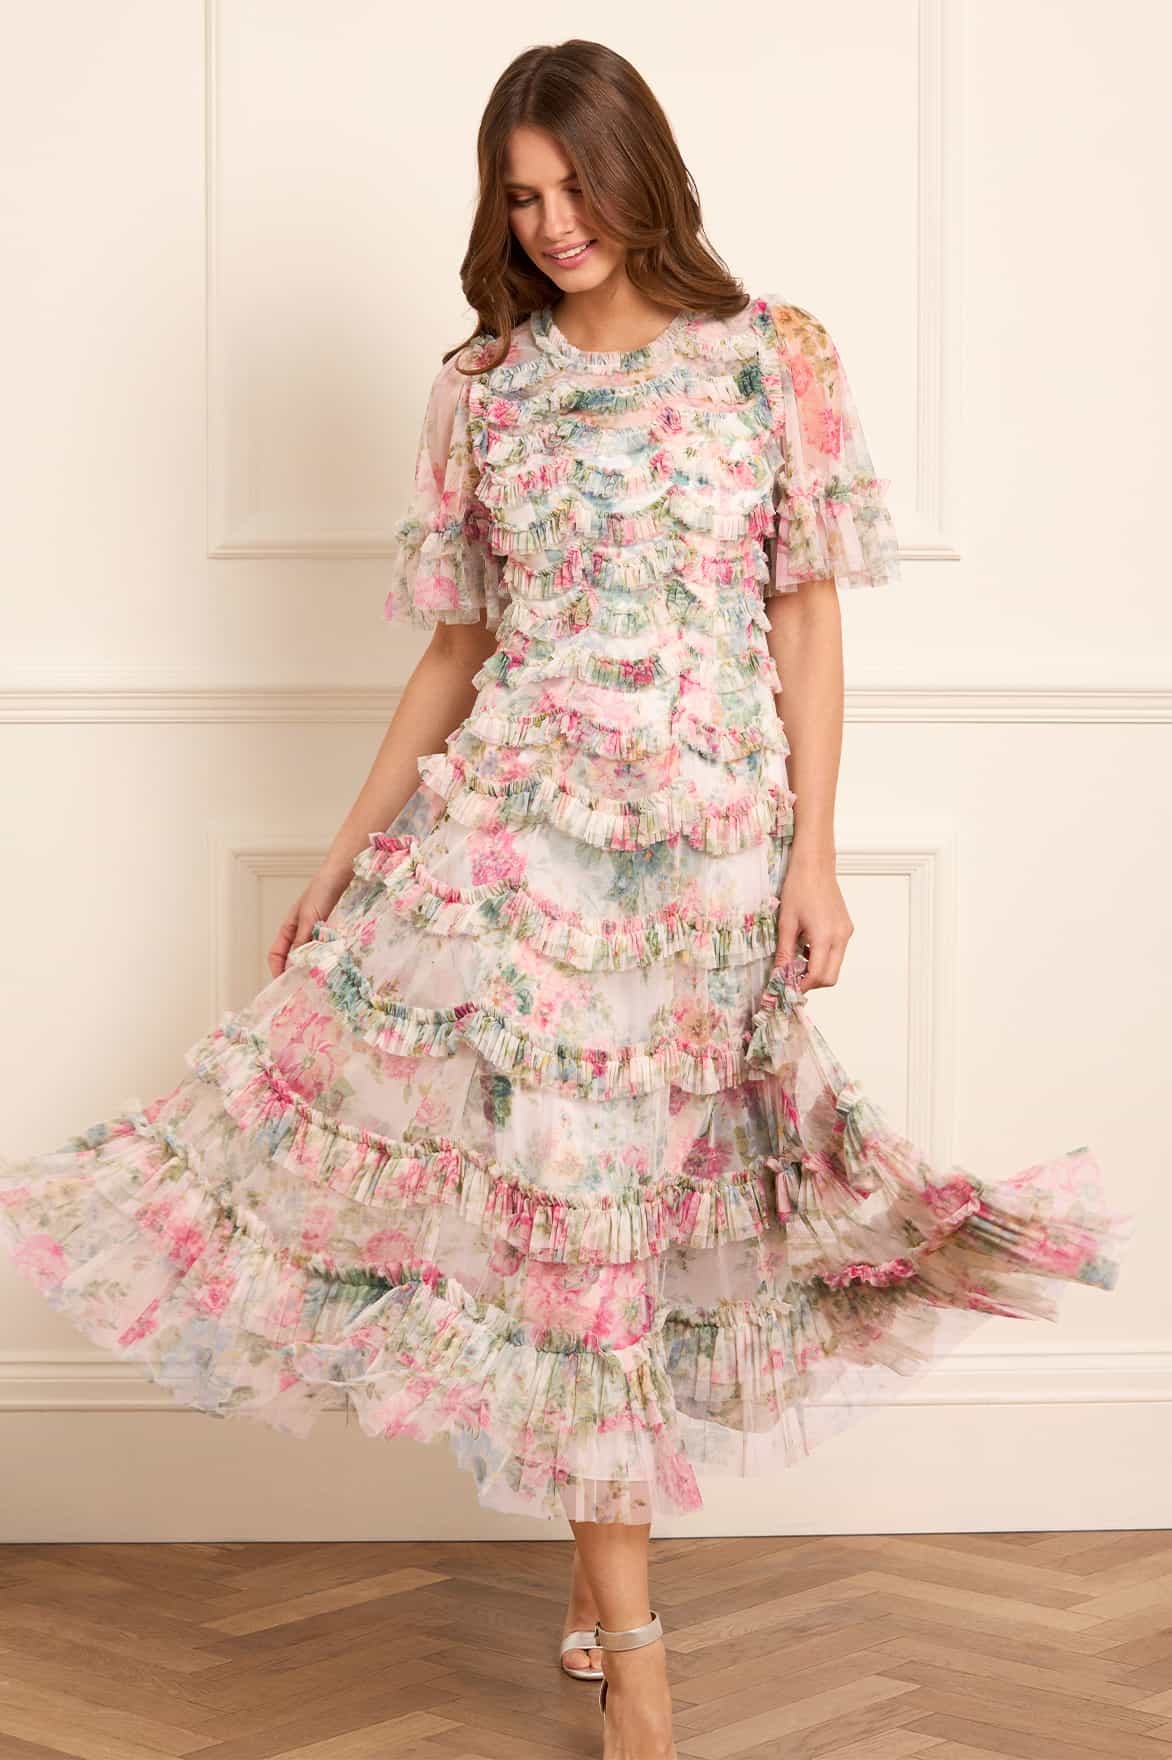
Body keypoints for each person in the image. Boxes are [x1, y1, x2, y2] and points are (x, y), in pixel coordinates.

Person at [0, 37, 1128, 1760]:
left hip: (708, 863)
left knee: (648, 1235)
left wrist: (814, 855)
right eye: (520, 196)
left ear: (640, 172)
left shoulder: (774, 359)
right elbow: (458, 650)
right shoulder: (482, 388)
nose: (551, 223)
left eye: (575, 185)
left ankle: (603, 1612)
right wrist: (346, 847)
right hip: (516, 860)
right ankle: (638, 1658)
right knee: (575, 1230)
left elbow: (807, 620)